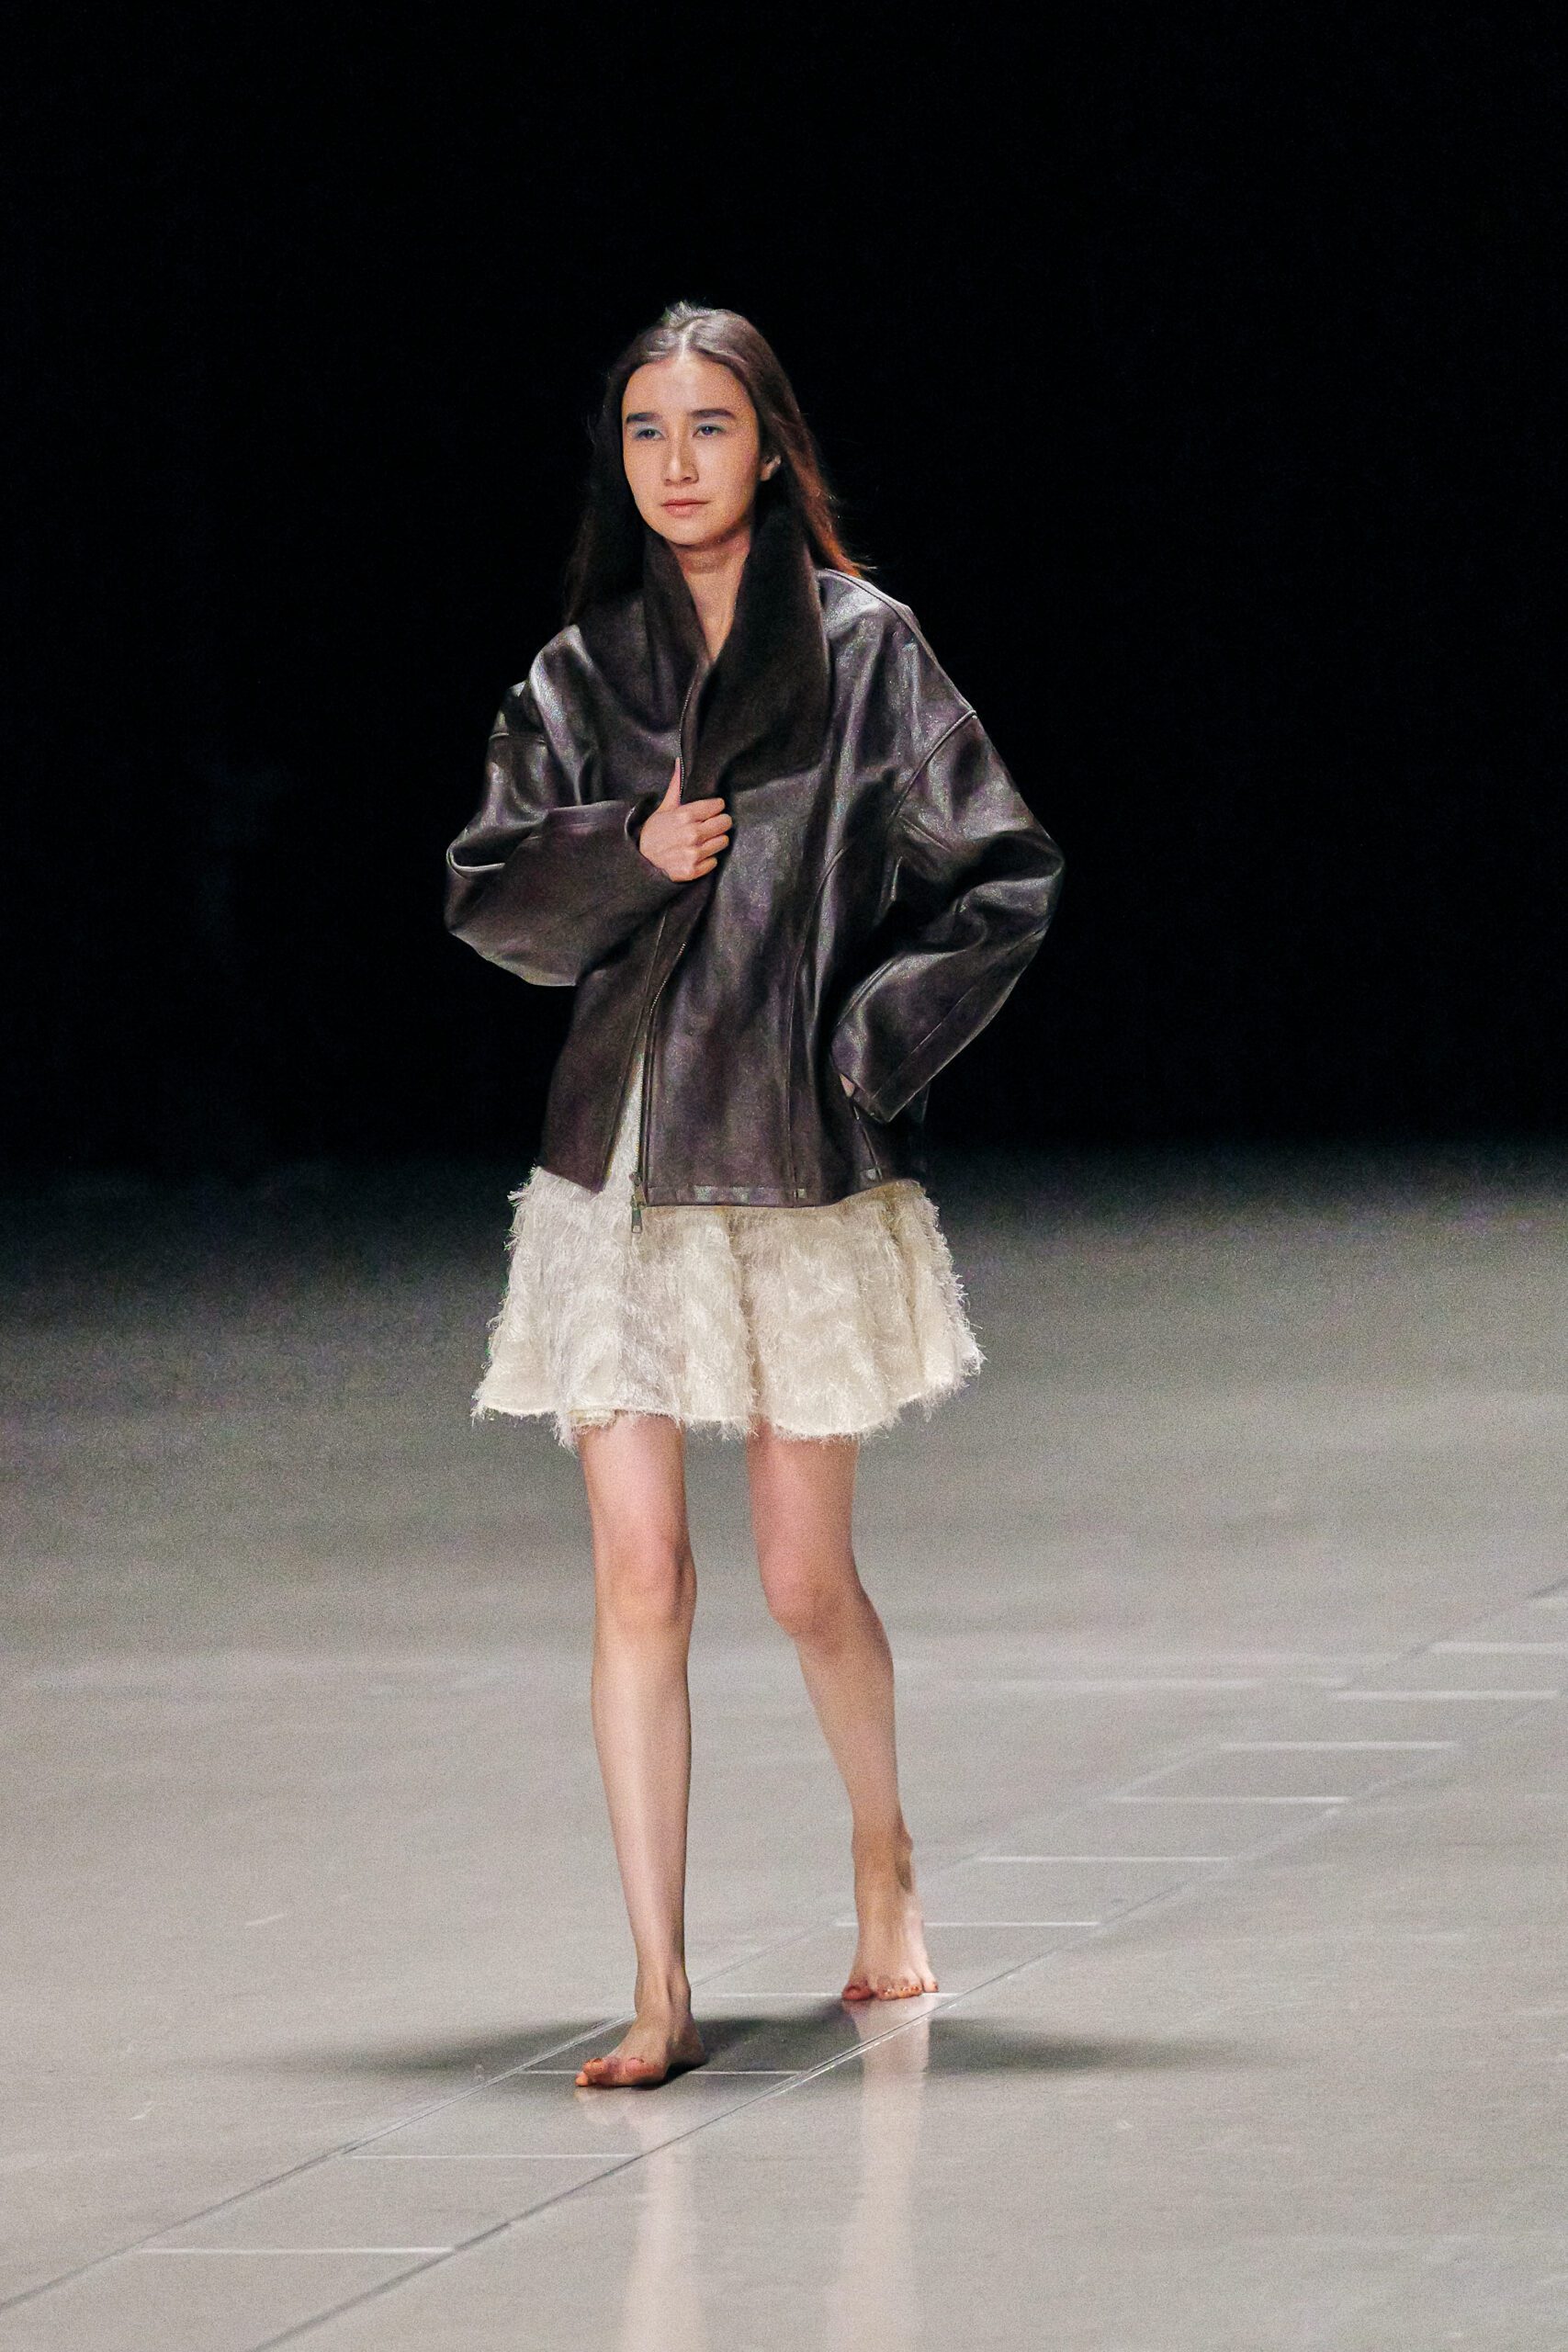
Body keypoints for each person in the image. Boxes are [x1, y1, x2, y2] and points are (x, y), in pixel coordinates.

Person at [445, 301, 1064, 2087]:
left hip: (793, 1163)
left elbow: (1004, 870)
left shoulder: (865, 650)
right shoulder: (587, 671)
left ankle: (883, 1856)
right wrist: (619, 856)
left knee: (801, 1580)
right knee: (638, 1575)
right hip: (617, 1174)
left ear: (771, 446)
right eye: (644, 431)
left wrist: (865, 1044)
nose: (675, 461)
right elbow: (491, 893)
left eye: (709, 426)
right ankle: (657, 1984)